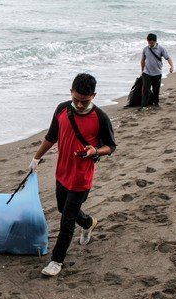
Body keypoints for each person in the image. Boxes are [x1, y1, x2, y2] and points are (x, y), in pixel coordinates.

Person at [29, 73, 116, 277]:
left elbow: (111, 146)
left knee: (67, 219)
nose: (78, 104)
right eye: (75, 99)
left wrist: (96, 151)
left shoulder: (101, 118)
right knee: (62, 207)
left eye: (84, 101)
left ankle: (56, 261)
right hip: (62, 172)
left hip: (81, 178)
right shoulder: (62, 109)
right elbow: (51, 137)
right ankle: (88, 223)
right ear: (70, 92)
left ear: (93, 96)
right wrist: (36, 158)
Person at [139, 33, 174, 111]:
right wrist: (142, 71)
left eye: (151, 42)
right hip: (146, 73)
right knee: (145, 90)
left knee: (156, 89)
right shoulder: (145, 49)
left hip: (157, 73)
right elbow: (142, 60)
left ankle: (156, 103)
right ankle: (143, 106)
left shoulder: (161, 49)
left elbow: (168, 58)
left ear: (155, 41)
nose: (150, 44)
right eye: (148, 42)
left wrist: (171, 66)